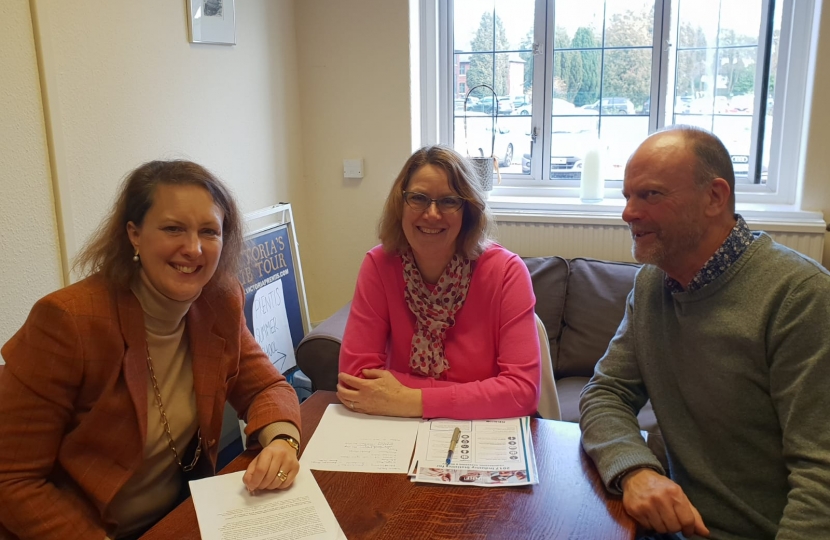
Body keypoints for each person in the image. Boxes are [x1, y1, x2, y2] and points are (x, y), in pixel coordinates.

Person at [0, 160, 303, 540]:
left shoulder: (220, 300)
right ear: (134, 234)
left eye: (209, 231)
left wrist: (282, 441)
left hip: (180, 514)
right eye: (173, 228)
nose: (193, 249)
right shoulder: (68, 322)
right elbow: (12, 479)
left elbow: (266, 388)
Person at [579, 126, 830, 539]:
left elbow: (820, 477)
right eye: (627, 196)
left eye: (651, 195)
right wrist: (635, 471)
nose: (628, 213)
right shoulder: (650, 286)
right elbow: (606, 393)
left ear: (715, 197)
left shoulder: (800, 297)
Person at [337, 145, 540, 419]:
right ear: (401, 203)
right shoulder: (379, 266)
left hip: (483, 433)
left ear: (467, 210)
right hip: (400, 429)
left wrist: (411, 399)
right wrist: (476, 394)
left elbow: (521, 393)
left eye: (448, 201)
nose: (432, 214)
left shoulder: (507, 273)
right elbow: (356, 381)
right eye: (418, 198)